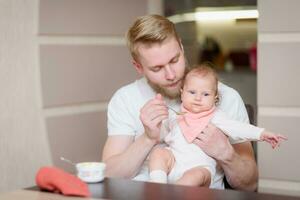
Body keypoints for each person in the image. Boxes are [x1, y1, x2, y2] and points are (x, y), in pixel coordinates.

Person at [102, 14, 257, 191]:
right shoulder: (125, 99)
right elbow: (109, 175)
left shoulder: (227, 97)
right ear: (138, 67)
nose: (171, 74)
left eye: (174, 60)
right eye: (157, 68)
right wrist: (148, 138)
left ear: (181, 47)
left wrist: (227, 155)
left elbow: (250, 184)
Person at [148, 63, 287, 187]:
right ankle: (158, 189)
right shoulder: (175, 114)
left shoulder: (216, 117)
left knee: (193, 177)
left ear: (215, 98)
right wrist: (156, 121)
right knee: (158, 153)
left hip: (201, 169)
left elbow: (238, 128)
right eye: (192, 92)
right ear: (182, 93)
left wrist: (262, 133)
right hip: (174, 161)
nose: (198, 98)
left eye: (206, 94)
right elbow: (162, 135)